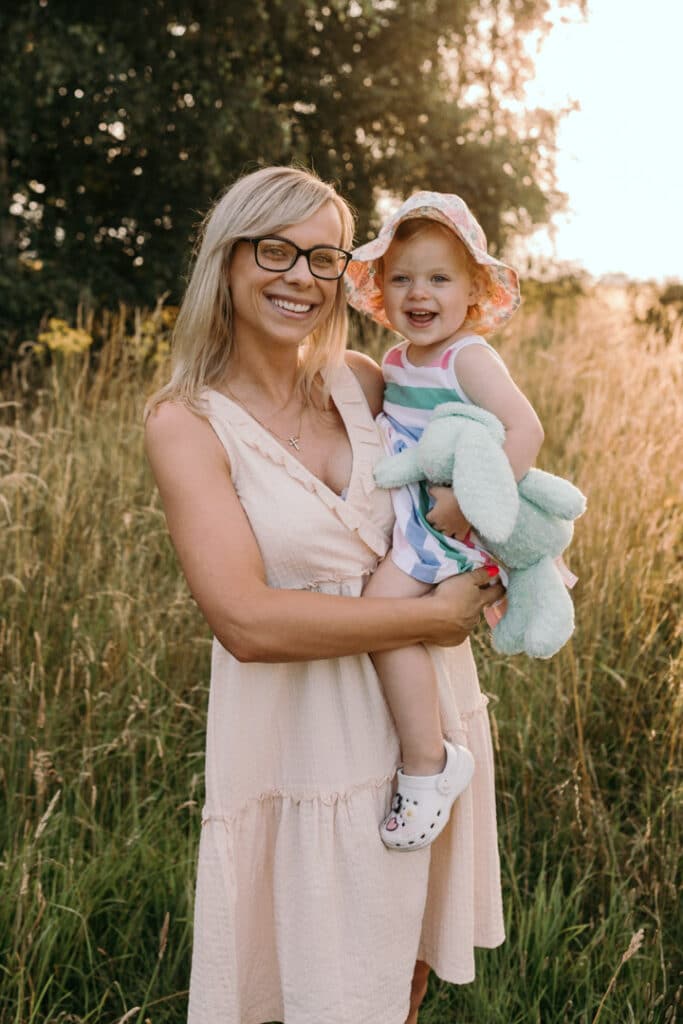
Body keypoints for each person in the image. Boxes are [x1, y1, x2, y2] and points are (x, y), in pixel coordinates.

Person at [144, 167, 506, 1024]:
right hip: (300, 748)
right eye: (274, 250)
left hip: (421, 727)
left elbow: (461, 470)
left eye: (321, 256)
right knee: (320, 991)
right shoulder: (186, 422)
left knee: (401, 981)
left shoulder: (363, 379)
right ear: (226, 262)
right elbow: (244, 621)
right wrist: (430, 615)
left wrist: (494, 552)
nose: (299, 277)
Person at [346, 192, 544, 851]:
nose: (417, 293)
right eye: (400, 278)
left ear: (472, 291)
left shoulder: (469, 358)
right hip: (414, 512)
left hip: (446, 521)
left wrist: (467, 507)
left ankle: (428, 763)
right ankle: (422, 748)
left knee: (383, 619)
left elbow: (524, 429)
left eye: (437, 278)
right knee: (391, 621)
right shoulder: (399, 360)